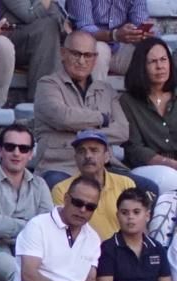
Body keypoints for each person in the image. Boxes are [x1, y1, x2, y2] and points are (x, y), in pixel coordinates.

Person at [35, 31, 129, 172]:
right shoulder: (47, 84)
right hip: (61, 166)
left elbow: (122, 131)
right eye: (76, 54)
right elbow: (63, 118)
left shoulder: (106, 90)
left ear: (95, 58)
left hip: (104, 168)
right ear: (63, 53)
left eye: (87, 55)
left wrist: (80, 130)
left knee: (147, 187)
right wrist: (102, 119)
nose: (81, 61)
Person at [0, 123, 54, 281]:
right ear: (0, 150)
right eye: (10, 147)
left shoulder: (40, 184)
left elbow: (48, 227)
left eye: (23, 148)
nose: (16, 153)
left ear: (31, 153)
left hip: (32, 252)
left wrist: (12, 228)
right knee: (17, 274)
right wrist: (31, 226)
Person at [116, 37, 177, 194]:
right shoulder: (128, 101)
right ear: (141, 67)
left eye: (163, 60)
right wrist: (168, 162)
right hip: (147, 167)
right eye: (153, 62)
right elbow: (134, 148)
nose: (160, 66)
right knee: (171, 178)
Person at [52, 131, 134, 239]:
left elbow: (135, 226)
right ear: (75, 158)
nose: (87, 156)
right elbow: (63, 232)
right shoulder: (62, 190)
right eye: (81, 151)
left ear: (107, 156)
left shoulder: (125, 184)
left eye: (94, 150)